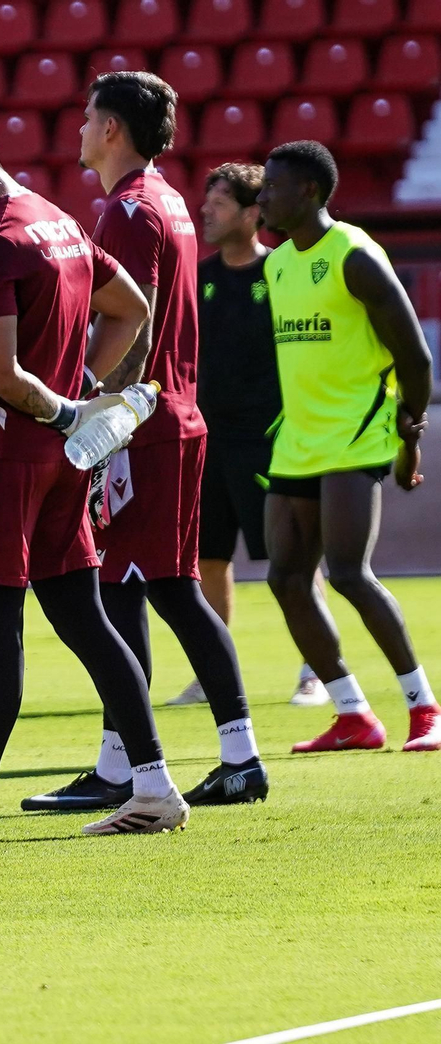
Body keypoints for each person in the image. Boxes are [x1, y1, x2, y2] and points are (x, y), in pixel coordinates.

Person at [0, 106, 188, 846]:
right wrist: (80, 389)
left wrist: (62, 409)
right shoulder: (60, 220)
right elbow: (133, 308)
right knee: (86, 621)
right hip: (59, 463)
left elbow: (5, 374)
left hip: (6, 454)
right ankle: (155, 786)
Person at [26, 72, 269, 812]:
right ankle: (146, 760)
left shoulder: (128, 210)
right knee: (140, 586)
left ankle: (224, 757)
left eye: (86, 116)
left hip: (141, 424)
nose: (76, 129)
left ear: (111, 130)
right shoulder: (165, 203)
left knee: (156, 589)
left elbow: (131, 322)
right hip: (170, 416)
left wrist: (78, 401)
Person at [255, 140, 439, 753]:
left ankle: (424, 708)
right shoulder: (277, 265)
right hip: (297, 441)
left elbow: (415, 358)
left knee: (348, 574)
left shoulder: (355, 256)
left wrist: (409, 436)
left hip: (356, 435)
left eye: (273, 186)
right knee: (285, 577)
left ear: (309, 191)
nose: (264, 197)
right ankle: (353, 714)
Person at [174, 163, 327, 708]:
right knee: (208, 561)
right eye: (206, 202)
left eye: (218, 204)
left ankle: (317, 670)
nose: (206, 212)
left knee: (292, 560)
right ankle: (214, 675)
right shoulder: (200, 278)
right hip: (208, 442)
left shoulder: (281, 273)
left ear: (252, 211)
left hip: (269, 440)